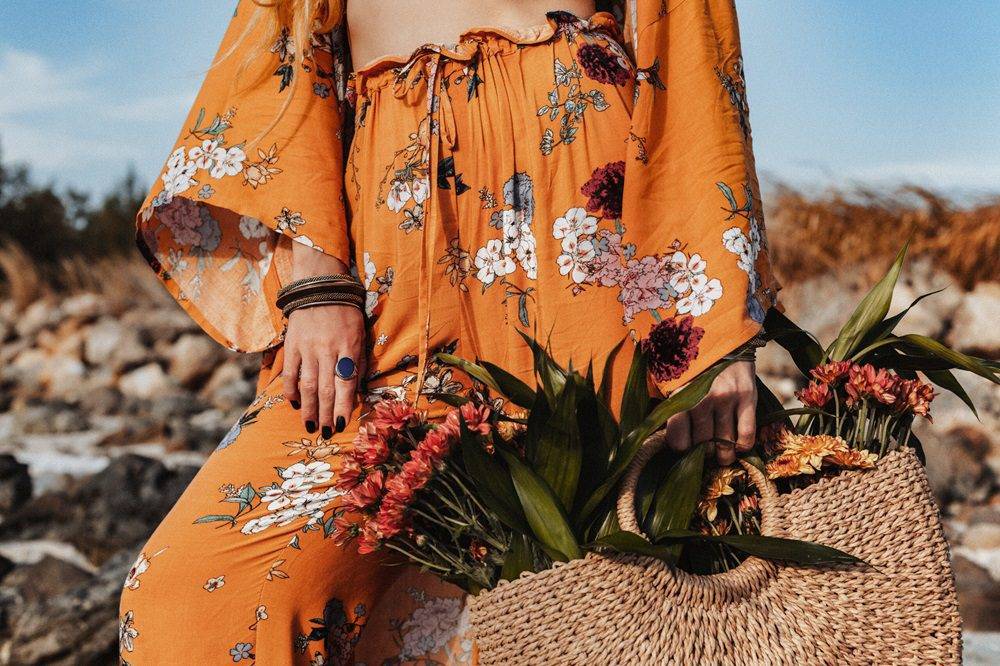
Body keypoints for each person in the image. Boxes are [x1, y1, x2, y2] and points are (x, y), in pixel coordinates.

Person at [119, 0, 780, 663]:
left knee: (608, 609)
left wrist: (711, 329)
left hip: (588, 277)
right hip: (389, 317)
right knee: (193, 601)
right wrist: (316, 279)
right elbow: (288, 47)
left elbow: (692, 61)